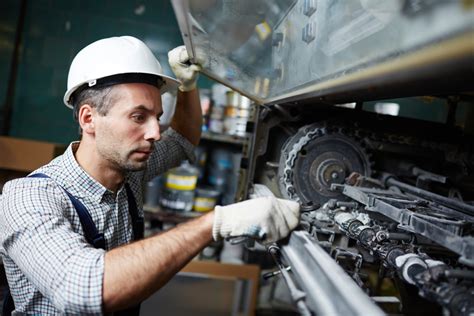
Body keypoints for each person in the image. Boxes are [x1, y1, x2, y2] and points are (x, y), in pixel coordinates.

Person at [0, 36, 300, 315]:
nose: (155, 132)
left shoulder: (127, 174)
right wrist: (216, 223)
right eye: (138, 117)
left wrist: (187, 86)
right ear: (89, 118)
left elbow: (182, 138)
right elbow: (83, 288)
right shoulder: (27, 197)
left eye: (156, 117)